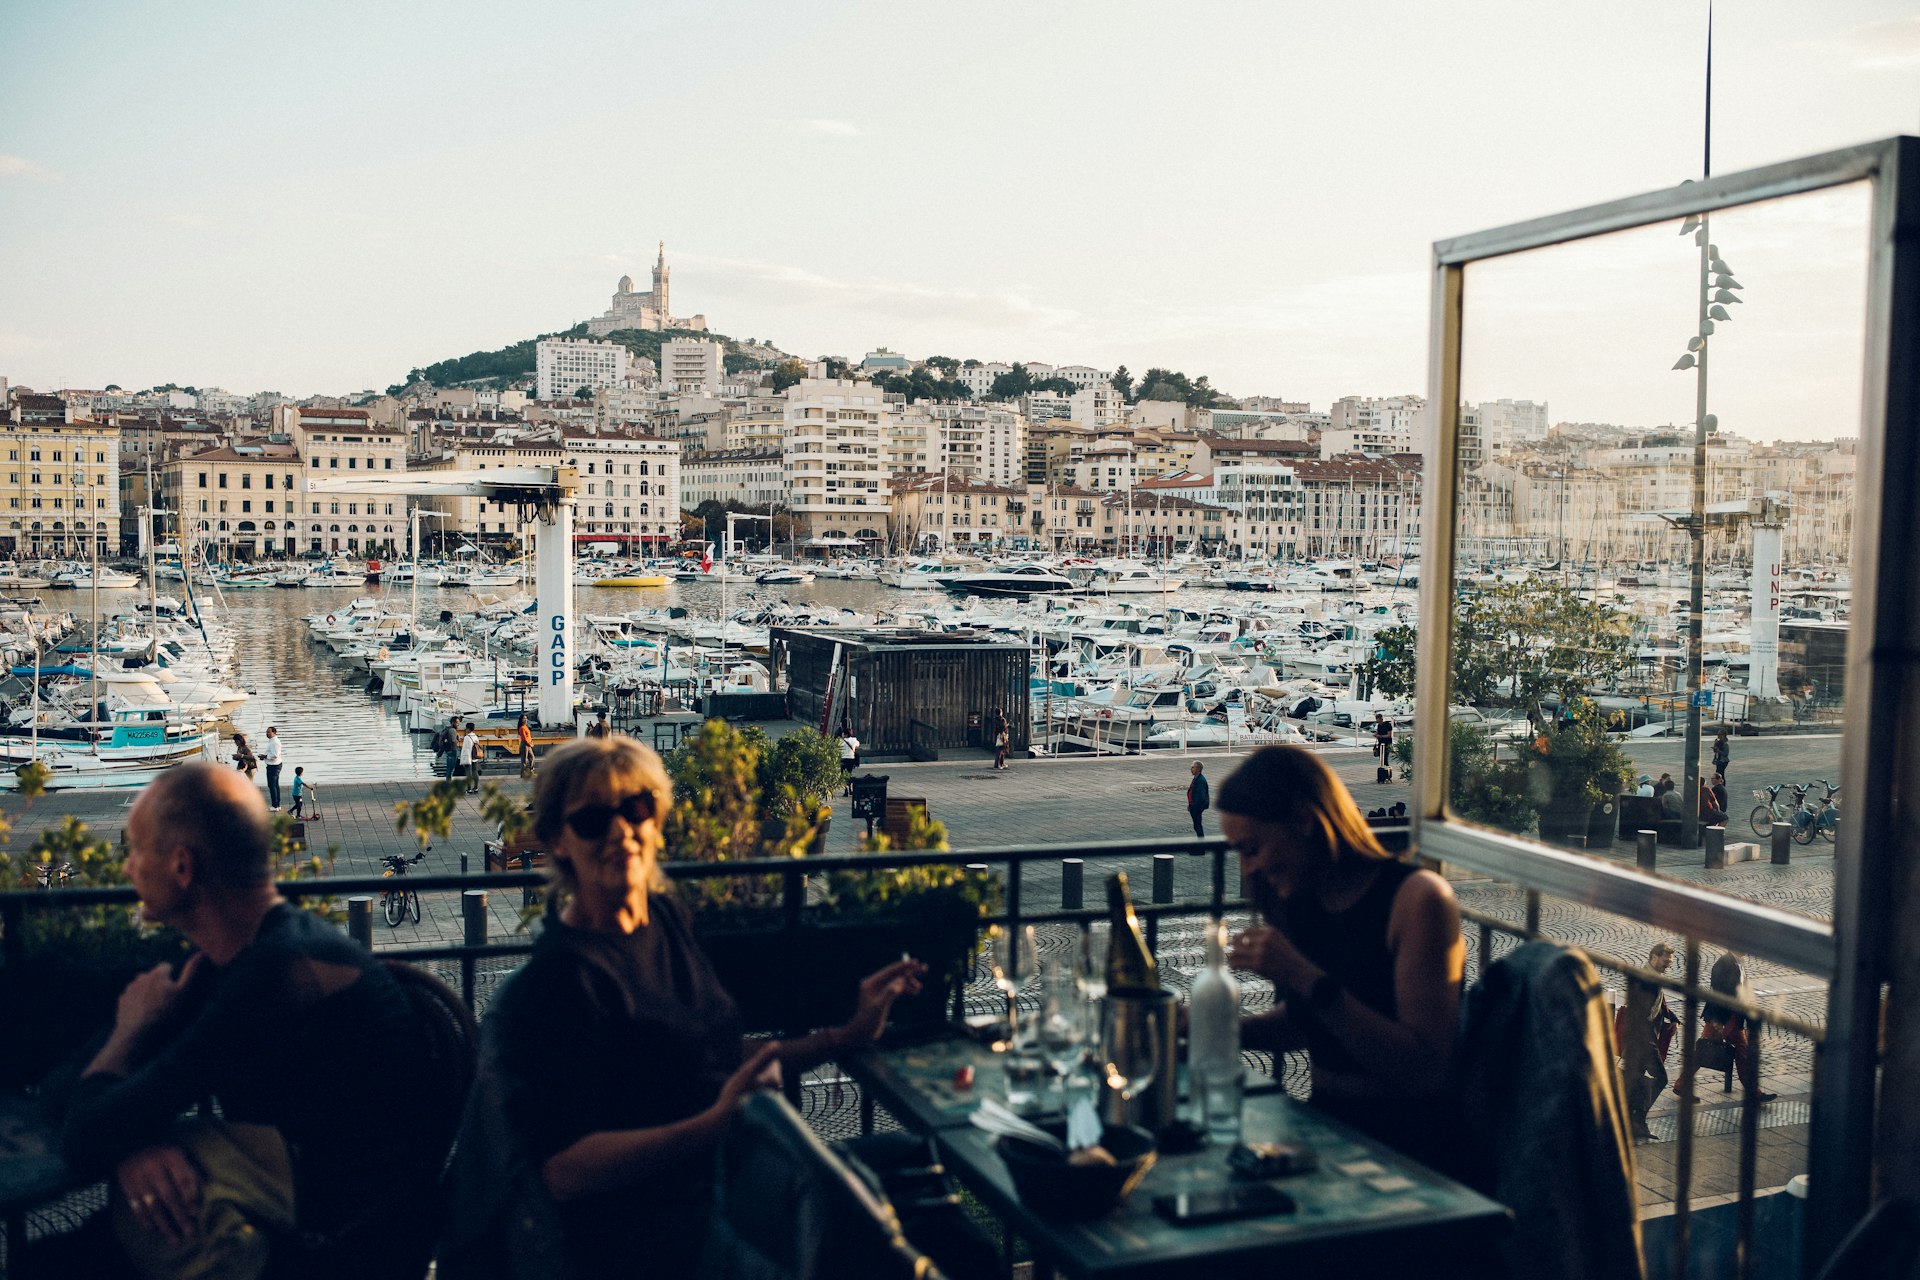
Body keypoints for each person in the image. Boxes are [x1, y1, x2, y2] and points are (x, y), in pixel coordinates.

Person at [452, 737, 927, 1276]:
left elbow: (718, 1054)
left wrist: (844, 1036)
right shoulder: (557, 985)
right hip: (648, 1237)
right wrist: (712, 1124)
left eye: (636, 809)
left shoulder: (664, 921)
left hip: (722, 1177)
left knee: (912, 1172)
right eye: (591, 821)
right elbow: (563, 1170)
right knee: (856, 1225)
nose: (621, 832)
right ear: (556, 842)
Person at [53, 764, 433, 1276]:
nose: (128, 869)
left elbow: (85, 1134)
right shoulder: (248, 953)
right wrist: (135, 1145)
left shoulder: (276, 976)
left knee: (62, 1260)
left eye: (137, 851)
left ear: (182, 868)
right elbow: (72, 1100)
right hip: (301, 1227)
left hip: (334, 1253)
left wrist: (128, 1033)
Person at [1219, 745, 1465, 1170]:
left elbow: (1424, 1069)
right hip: (1325, 1125)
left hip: (1410, 1147)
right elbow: (1310, 1021)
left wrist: (1303, 976)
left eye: (1253, 848)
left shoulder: (1418, 900)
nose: (1248, 869)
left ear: (1303, 819)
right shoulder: (1308, 898)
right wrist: (1213, 1028)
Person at [1674, 950, 1775, 1102]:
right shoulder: (1723, 964)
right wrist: (1716, 1020)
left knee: (1741, 1052)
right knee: (1704, 1052)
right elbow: (1716, 993)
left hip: (1734, 1017)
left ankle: (1753, 1092)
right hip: (1721, 1018)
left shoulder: (1738, 963)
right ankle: (1681, 1085)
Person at [1620, 943, 1679, 1142]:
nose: (1668, 964)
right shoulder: (1645, 979)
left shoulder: (1652, 977)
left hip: (1641, 1038)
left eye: (1670, 961)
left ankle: (1632, 1121)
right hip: (1642, 1039)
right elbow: (1640, 1011)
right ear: (1654, 957)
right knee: (1660, 1077)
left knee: (1634, 1079)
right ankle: (1638, 1117)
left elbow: (1657, 1003)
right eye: (1665, 960)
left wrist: (1671, 1016)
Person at [1186, 760, 1210, 840]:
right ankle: (1200, 844)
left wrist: (1194, 806)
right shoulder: (1196, 778)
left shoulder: (1200, 780)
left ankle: (1201, 846)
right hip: (1194, 806)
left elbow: (1201, 796)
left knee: (1197, 826)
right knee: (1196, 825)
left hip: (1197, 807)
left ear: (1198, 769)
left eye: (1193, 767)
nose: (1191, 769)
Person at [260, 726, 283, 810]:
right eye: (266, 732)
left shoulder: (274, 742)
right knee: (275, 785)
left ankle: (275, 806)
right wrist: (265, 756)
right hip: (274, 765)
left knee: (272, 785)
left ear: (274, 732)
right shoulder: (272, 741)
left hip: (274, 766)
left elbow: (275, 755)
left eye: (269, 732)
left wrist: (265, 756)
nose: (267, 733)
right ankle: (277, 804)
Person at [434, 717, 462, 782]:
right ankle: (448, 784)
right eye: (457, 723)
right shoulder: (452, 730)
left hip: (448, 751)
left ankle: (448, 783)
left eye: (458, 723)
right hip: (452, 751)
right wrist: (458, 740)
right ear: (453, 723)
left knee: (449, 769)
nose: (458, 724)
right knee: (451, 769)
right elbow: (453, 741)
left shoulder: (447, 729)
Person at [461, 722, 482, 795]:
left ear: (468, 729)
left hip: (468, 757)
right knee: (475, 771)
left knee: (468, 772)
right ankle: (476, 788)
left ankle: (469, 789)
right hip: (475, 756)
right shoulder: (476, 736)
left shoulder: (467, 737)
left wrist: (463, 759)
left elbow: (465, 749)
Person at [517, 714, 536, 779]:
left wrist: (531, 742)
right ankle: (523, 774)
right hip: (525, 744)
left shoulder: (526, 727)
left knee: (532, 757)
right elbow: (524, 738)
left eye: (526, 718)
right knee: (524, 760)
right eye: (524, 718)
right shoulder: (522, 728)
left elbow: (528, 736)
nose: (525, 720)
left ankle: (531, 771)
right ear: (521, 720)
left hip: (528, 744)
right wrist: (529, 744)